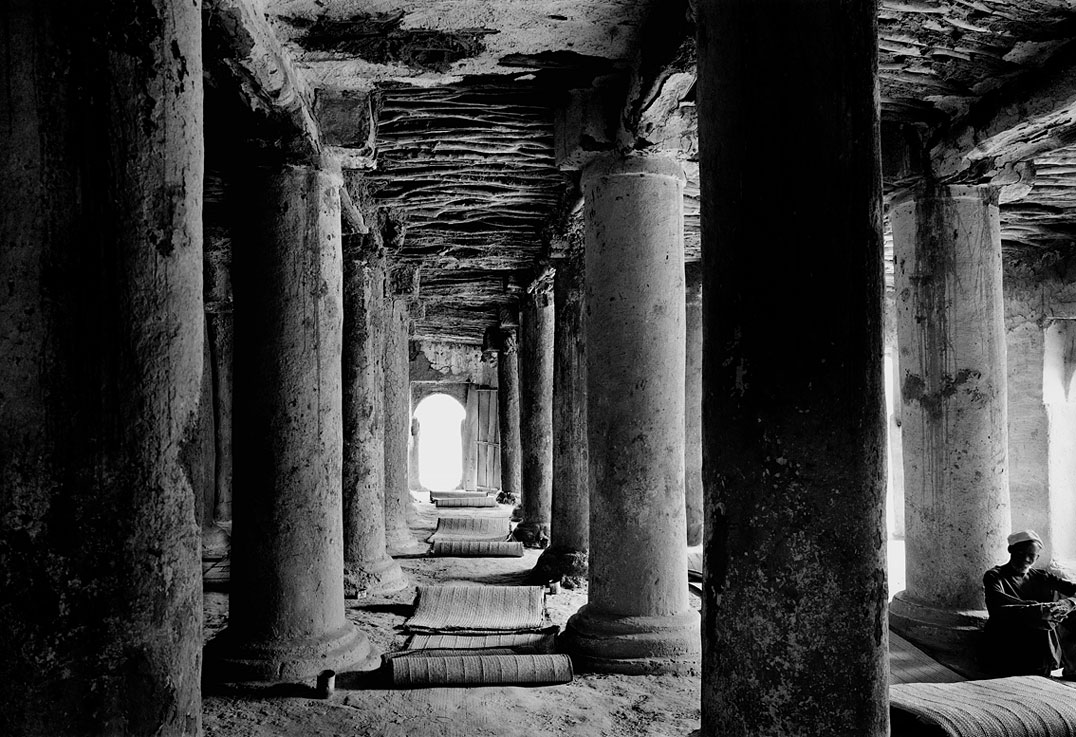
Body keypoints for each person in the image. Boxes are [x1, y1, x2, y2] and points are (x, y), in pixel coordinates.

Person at [983, 529, 1076, 677]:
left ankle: (1072, 670)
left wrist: (1069, 603)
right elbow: (1000, 608)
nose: (1026, 559)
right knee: (1038, 619)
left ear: (1037, 557)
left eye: (1031, 556)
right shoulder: (995, 576)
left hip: (1040, 625)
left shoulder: (1041, 576)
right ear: (1010, 550)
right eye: (1020, 553)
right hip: (1010, 631)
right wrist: (1041, 610)